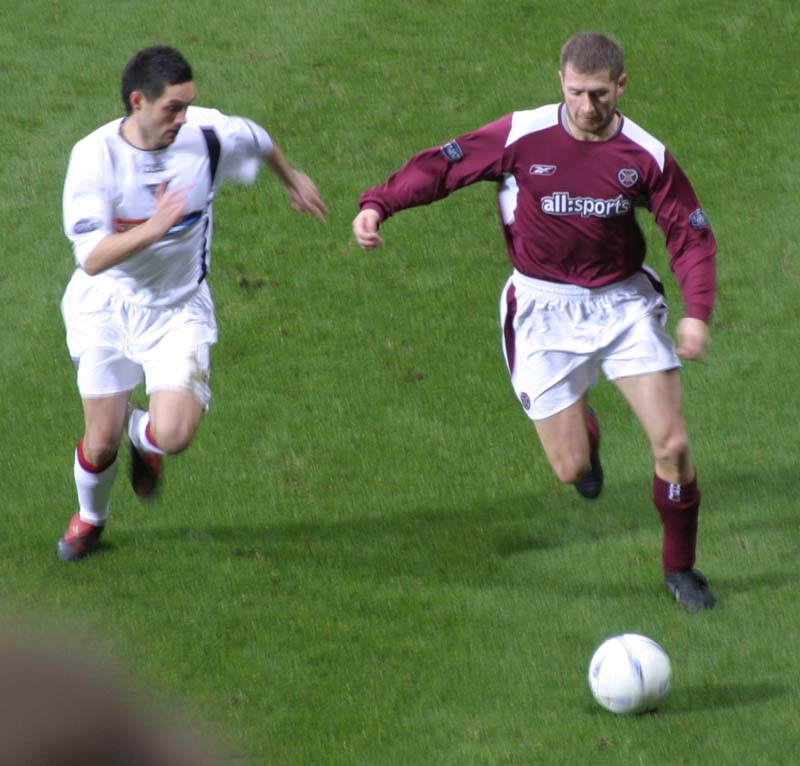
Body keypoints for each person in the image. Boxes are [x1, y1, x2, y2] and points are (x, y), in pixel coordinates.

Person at [352, 32, 717, 611]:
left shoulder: (646, 155)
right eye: (577, 93)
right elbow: (445, 165)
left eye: (600, 94)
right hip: (542, 310)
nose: (588, 106)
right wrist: (380, 203)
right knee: (571, 467)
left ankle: (680, 569)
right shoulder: (522, 134)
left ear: (621, 86)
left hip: (622, 304)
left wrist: (696, 312)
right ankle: (585, 432)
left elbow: (689, 234)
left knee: (671, 443)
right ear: (561, 83)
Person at [58, 45, 326, 561]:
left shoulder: (207, 135)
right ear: (138, 102)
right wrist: (155, 227)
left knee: (174, 434)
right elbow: (92, 258)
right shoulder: (94, 157)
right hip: (106, 307)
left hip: (179, 309)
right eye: (172, 108)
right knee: (100, 442)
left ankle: (145, 439)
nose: (183, 117)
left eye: (187, 104)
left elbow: (258, 139)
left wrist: (291, 178)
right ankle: (91, 518)